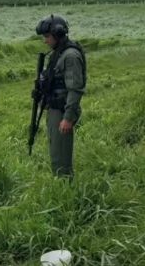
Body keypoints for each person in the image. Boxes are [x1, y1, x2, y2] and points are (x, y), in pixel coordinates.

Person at [35, 14, 86, 178]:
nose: (45, 41)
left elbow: (75, 89)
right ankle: (61, 184)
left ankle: (66, 190)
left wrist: (68, 117)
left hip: (62, 111)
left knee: (61, 157)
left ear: (58, 34)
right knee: (56, 152)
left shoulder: (70, 56)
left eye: (47, 36)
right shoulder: (58, 53)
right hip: (55, 109)